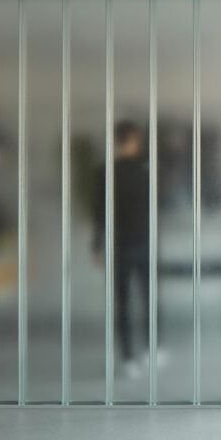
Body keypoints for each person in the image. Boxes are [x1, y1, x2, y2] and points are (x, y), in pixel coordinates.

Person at [93, 121, 149, 364]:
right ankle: (139, 352)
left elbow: (100, 212)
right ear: (132, 140)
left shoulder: (114, 170)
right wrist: (98, 244)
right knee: (136, 299)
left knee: (130, 300)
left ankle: (134, 354)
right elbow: (101, 211)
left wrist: (98, 244)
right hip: (135, 241)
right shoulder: (138, 170)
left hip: (129, 241)